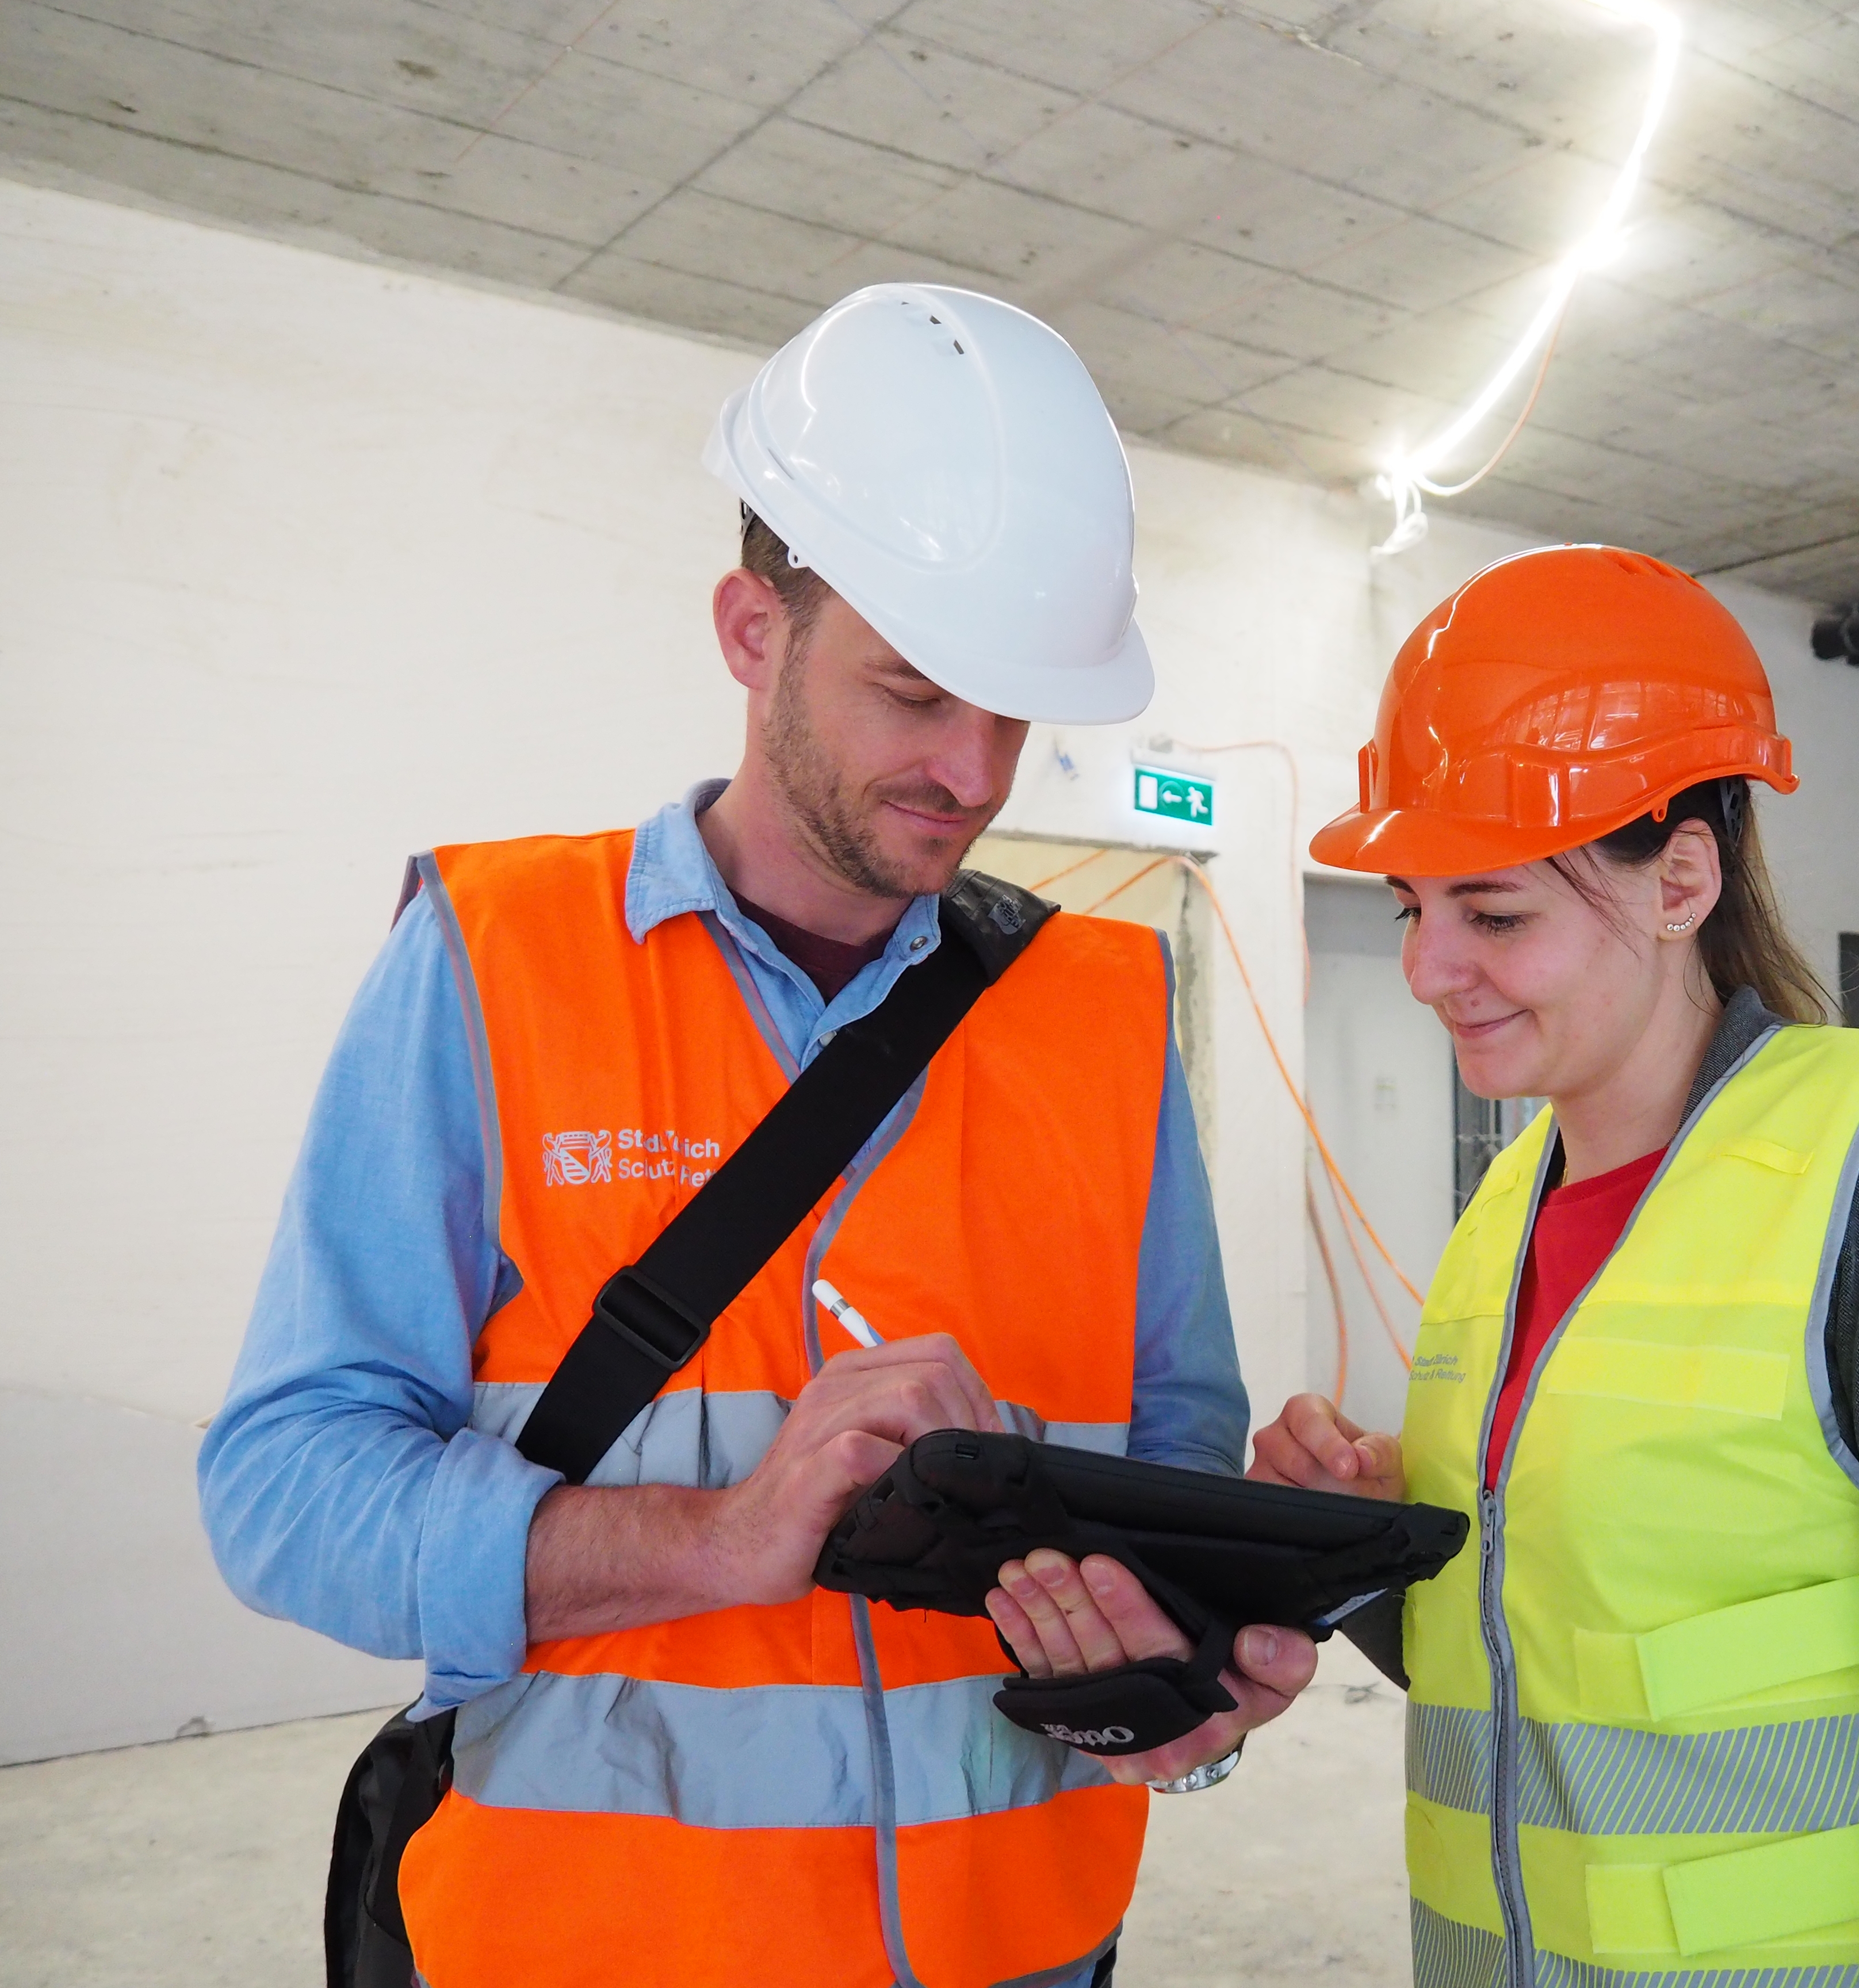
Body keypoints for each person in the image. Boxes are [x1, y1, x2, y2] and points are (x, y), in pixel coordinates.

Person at [198, 285, 1313, 1988]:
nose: (977, 769)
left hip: (1021, 1946)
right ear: (751, 629)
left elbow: (1169, 1443)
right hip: (596, 1953)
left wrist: (1188, 1673)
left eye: (1016, 711)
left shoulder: (1101, 1006)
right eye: (917, 691)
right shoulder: (495, 962)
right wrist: (721, 1539)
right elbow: (285, 1489)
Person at [996, 544, 1859, 1986]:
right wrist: (1358, 1554)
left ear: (1683, 881)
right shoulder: (1509, 1206)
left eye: (1496, 912)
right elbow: (1527, 1667)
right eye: (1414, 909)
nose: (1426, 968)